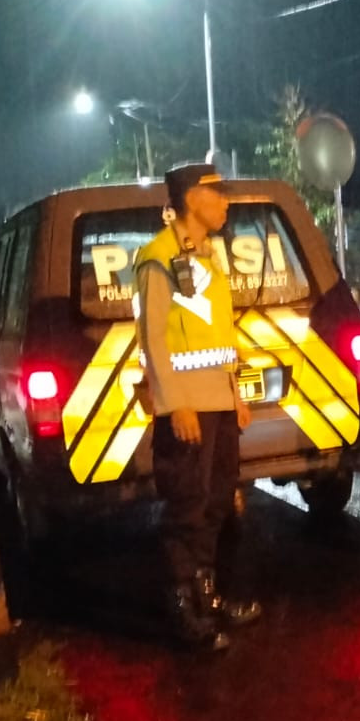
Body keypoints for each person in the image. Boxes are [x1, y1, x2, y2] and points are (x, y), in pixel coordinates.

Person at [134, 163, 263, 651]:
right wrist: (174, 405)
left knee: (214, 503)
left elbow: (216, 336)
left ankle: (208, 595)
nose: (225, 203)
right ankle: (183, 608)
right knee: (186, 506)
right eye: (217, 195)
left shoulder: (207, 256)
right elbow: (153, 341)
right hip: (186, 407)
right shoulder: (158, 258)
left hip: (219, 405)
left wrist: (234, 399)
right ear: (192, 201)